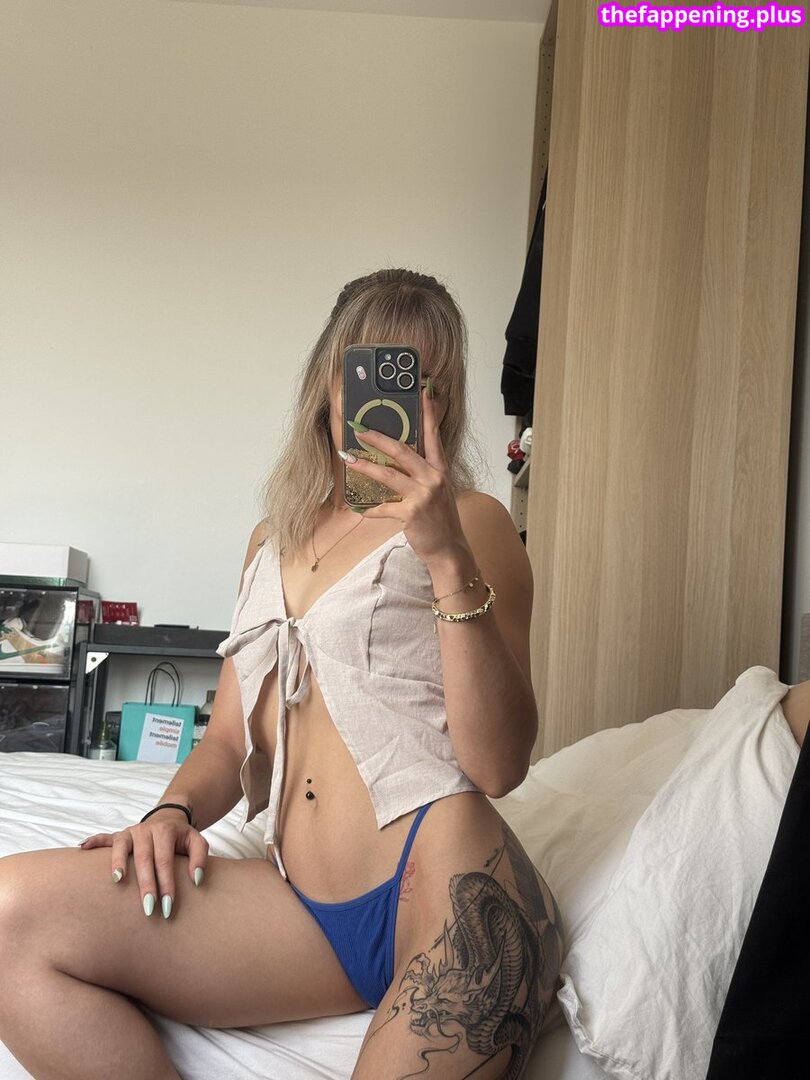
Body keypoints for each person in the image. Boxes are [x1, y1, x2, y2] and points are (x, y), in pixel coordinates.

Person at [0, 268, 565, 1080]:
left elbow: (500, 765)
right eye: (373, 374)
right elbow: (229, 741)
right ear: (329, 385)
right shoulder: (272, 539)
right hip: (300, 906)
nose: (400, 403)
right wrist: (171, 812)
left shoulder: (475, 523)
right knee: (11, 921)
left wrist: (445, 555)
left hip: (449, 882)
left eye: (426, 383)